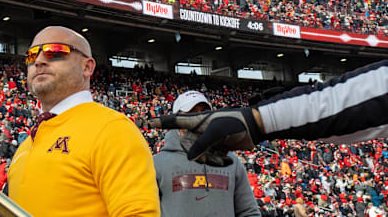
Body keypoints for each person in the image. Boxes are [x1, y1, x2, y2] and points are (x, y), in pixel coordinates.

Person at [7, 26, 159, 216]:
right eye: (31, 55)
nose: (38, 61)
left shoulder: (112, 129)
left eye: (54, 51)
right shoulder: (26, 145)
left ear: (87, 67)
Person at [149, 61, 388, 162]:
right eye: (190, 116)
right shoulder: (158, 165)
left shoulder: (230, 164)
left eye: (200, 115)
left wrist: (257, 120)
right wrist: (257, 120)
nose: (196, 124)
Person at [153, 90, 260, 217]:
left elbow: (249, 212)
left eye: (204, 112)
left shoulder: (231, 162)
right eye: (191, 113)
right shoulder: (157, 164)